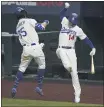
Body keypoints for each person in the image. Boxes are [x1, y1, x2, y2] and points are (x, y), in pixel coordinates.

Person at [56, 3, 96, 103]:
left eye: (73, 22)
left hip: (71, 51)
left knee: (74, 73)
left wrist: (93, 47)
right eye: (71, 21)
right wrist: (65, 8)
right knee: (63, 57)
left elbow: (86, 39)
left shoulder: (78, 29)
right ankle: (67, 66)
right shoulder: (65, 21)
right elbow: (61, 15)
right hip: (61, 49)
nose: (71, 23)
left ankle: (77, 95)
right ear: (69, 19)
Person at [11, 7, 49, 98]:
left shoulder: (17, 27)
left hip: (26, 49)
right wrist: (46, 22)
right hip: (35, 47)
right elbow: (41, 27)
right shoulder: (29, 20)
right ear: (24, 14)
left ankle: (14, 87)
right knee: (42, 65)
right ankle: (39, 86)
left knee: (22, 68)